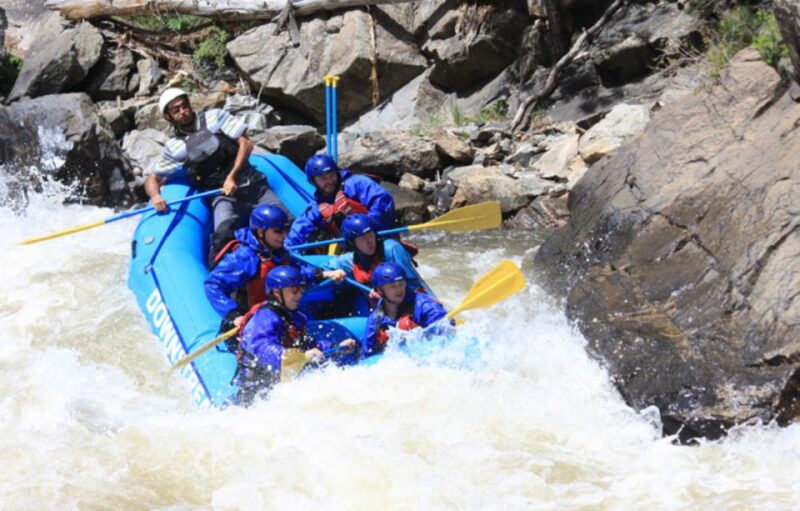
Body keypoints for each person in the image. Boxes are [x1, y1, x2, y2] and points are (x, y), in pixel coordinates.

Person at [144, 87, 284, 261]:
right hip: (221, 195)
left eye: (184, 106)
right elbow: (152, 179)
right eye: (176, 110)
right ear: (168, 116)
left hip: (252, 183)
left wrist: (232, 177)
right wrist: (156, 196)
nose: (183, 111)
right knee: (223, 237)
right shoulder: (174, 147)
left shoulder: (215, 117)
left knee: (284, 221)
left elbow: (246, 144)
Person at [205, 204, 345, 332]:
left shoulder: (279, 252)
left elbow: (297, 274)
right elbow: (213, 285)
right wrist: (234, 315)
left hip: (280, 313)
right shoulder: (244, 257)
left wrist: (324, 274)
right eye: (278, 231)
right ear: (261, 232)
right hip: (253, 322)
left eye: (285, 230)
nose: (284, 236)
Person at [237, 266, 357, 405]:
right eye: (294, 290)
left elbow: (310, 346)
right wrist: (297, 356)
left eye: (300, 289)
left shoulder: (295, 317)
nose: (299, 295)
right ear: (277, 292)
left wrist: (337, 348)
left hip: (281, 388)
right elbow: (261, 346)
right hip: (256, 393)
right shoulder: (265, 317)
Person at [323, 213, 427, 316]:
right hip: (377, 310)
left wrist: (386, 295)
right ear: (352, 242)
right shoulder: (348, 261)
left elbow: (413, 285)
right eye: (362, 238)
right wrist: (327, 274)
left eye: (370, 234)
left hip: (409, 303)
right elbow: (323, 269)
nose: (369, 241)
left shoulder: (391, 249)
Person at [284, 153, 396, 249]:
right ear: (313, 182)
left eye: (331, 175)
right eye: (322, 178)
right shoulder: (316, 208)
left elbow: (383, 202)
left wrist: (367, 230)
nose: (329, 181)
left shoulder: (356, 184)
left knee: (391, 248)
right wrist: (287, 247)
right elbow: (299, 230)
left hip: (380, 239)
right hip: (352, 252)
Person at [363, 262, 452, 356]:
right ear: (380, 290)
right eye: (393, 286)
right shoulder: (375, 319)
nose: (399, 290)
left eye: (401, 284)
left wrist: (421, 334)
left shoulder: (424, 305)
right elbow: (367, 355)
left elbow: (447, 329)